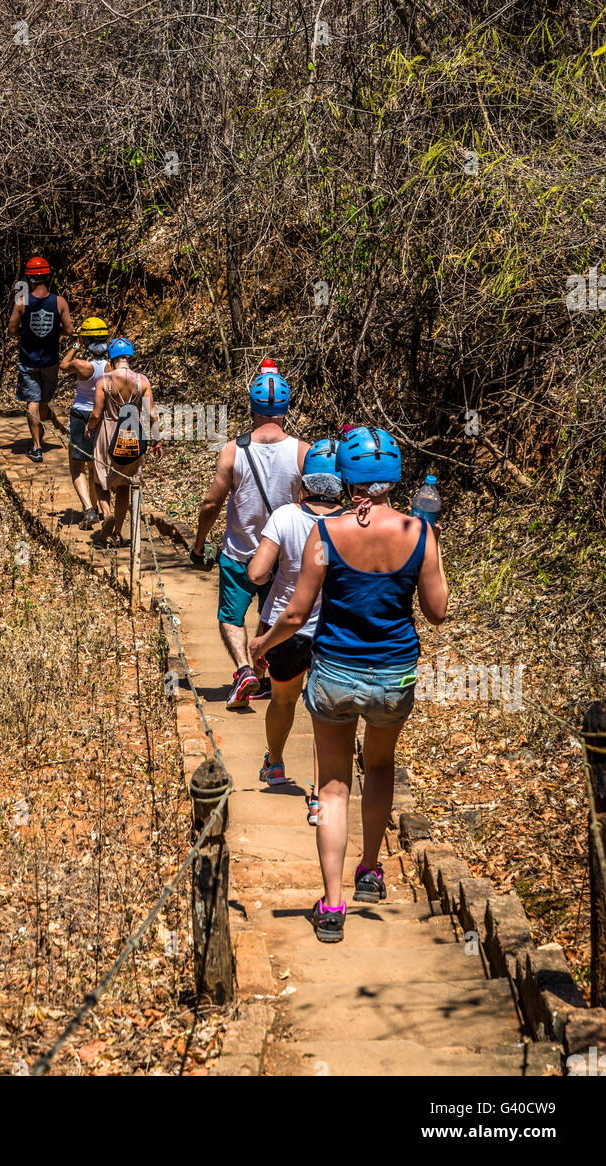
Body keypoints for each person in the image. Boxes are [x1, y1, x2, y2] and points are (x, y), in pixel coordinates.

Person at [249, 426, 448, 943]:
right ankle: (371, 872)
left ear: (347, 479)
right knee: (379, 767)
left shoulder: (327, 533)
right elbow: (438, 611)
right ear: (394, 476)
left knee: (334, 784)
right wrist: (428, 545)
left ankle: (333, 905)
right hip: (394, 674)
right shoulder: (419, 532)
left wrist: (262, 645)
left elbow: (295, 613)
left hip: (335, 673)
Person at [191, 372, 309, 709]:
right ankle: (267, 676)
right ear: (286, 407)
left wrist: (200, 542)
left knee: (231, 618)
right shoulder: (304, 452)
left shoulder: (233, 450)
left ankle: (244, 670)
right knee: (271, 615)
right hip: (283, 557)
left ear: (251, 406)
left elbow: (212, 502)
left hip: (239, 552)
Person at [247, 440, 344, 812]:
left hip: (283, 628)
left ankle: (275, 764)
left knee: (283, 700)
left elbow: (257, 573)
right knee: (324, 711)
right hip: (331, 630)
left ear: (305, 484)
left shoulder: (286, 516)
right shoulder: (349, 522)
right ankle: (320, 794)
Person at [88, 338, 160, 548]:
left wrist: (89, 428)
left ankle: (107, 513)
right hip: (133, 435)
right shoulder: (142, 381)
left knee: (100, 478)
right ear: (130, 357)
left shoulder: (104, 381)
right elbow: (151, 415)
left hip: (108, 432)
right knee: (124, 486)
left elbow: (96, 413)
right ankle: (117, 533)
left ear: (111, 359)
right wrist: (156, 440)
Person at [8, 256, 73, 463]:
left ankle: (36, 446)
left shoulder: (22, 302)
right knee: (43, 400)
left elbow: (12, 329)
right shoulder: (60, 302)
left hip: (29, 361)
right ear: (47, 278)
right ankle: (39, 436)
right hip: (51, 361)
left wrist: (26, 334)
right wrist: (55, 333)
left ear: (30, 279)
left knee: (33, 402)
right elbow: (69, 330)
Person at [58, 317, 110, 528]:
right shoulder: (110, 366)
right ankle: (97, 507)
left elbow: (63, 366)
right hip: (102, 416)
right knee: (95, 464)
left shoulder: (82, 365)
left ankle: (88, 509)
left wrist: (75, 346)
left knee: (77, 464)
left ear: (86, 341)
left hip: (81, 415)